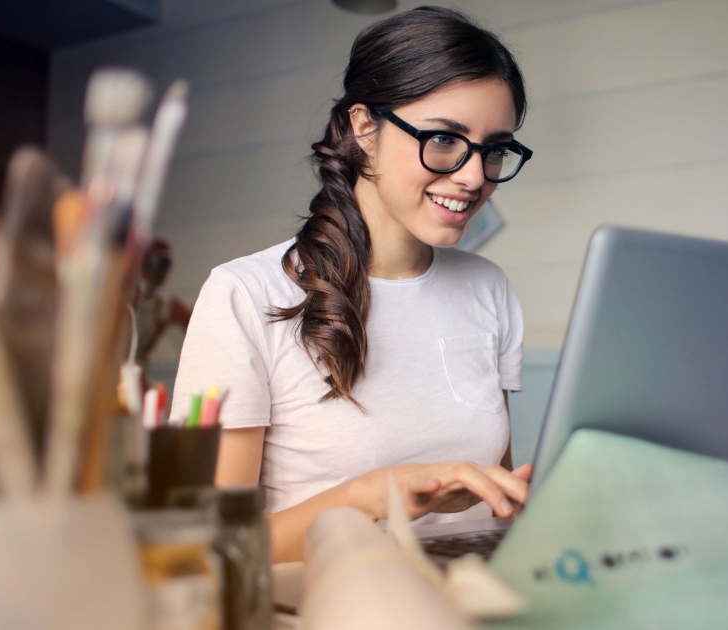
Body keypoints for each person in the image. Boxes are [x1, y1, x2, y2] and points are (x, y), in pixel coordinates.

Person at [171, 6, 535, 563]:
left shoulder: (488, 288)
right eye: (443, 140)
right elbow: (211, 546)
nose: (473, 176)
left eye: (495, 149)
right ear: (365, 128)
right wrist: (370, 497)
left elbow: (497, 492)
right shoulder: (244, 295)